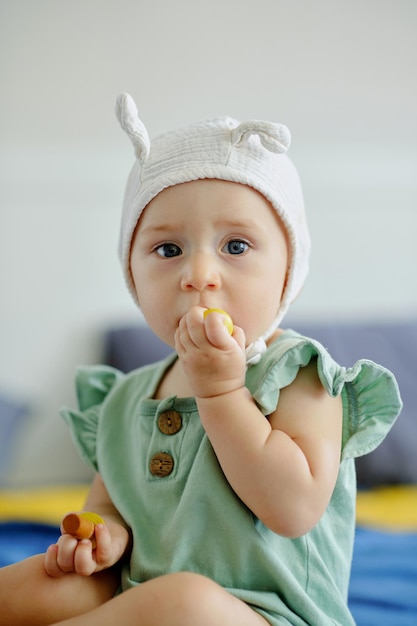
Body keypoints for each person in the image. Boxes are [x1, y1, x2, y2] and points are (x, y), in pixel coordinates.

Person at [0, 93, 402, 626]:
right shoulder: (127, 395)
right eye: (168, 250)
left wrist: (221, 393)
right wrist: (102, 537)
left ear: (288, 272)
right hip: (139, 597)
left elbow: (293, 508)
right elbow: (108, 505)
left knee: (182, 603)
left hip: (266, 614)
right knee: (34, 584)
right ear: (134, 278)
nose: (200, 275)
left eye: (236, 246)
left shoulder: (299, 373)